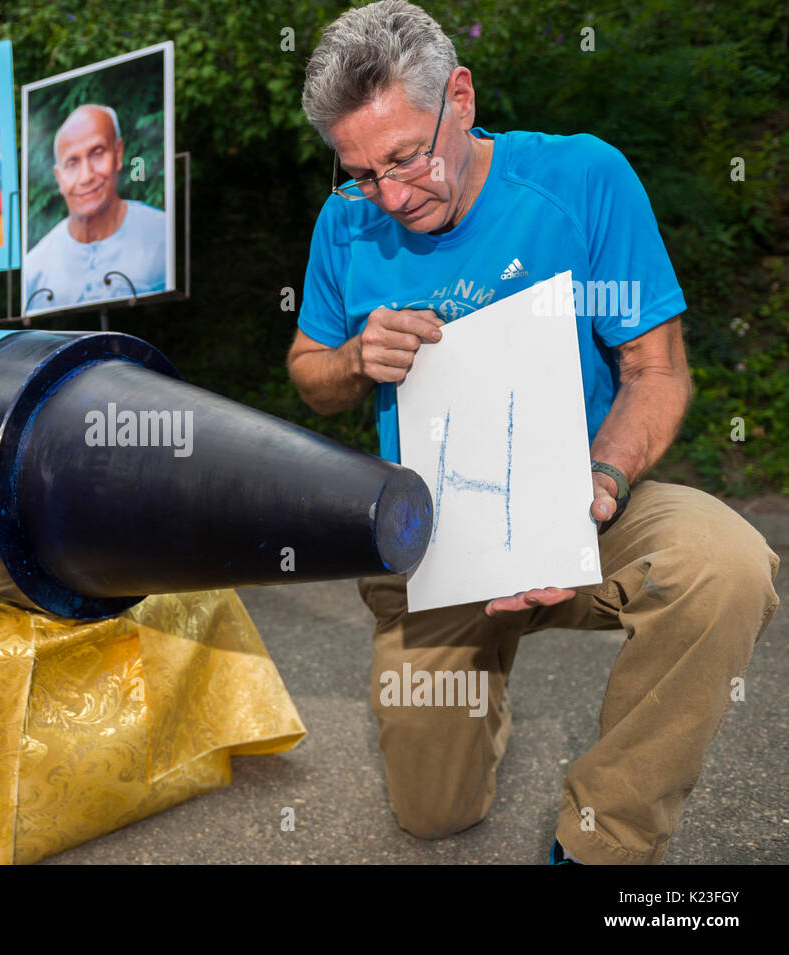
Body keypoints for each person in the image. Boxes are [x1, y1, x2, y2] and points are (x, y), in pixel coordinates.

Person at [289, 0, 781, 864]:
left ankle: (604, 835)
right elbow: (308, 369)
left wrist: (597, 489)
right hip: (434, 543)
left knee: (724, 564)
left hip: (583, 505)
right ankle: (478, 683)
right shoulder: (346, 223)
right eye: (362, 172)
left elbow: (655, 371)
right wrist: (357, 357)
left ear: (463, 98)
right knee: (431, 814)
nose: (392, 195)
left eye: (405, 157)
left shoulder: (583, 178)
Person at [22, 104, 166, 312]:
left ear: (118, 153)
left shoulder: (163, 235)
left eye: (97, 153)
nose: (86, 176)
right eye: (72, 163)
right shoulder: (34, 269)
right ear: (59, 178)